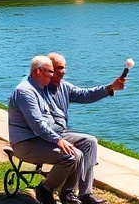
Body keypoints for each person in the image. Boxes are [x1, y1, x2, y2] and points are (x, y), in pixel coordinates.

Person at [45, 53, 127, 204]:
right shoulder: (38, 88)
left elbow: (86, 94)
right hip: (47, 136)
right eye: (57, 69)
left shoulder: (64, 87)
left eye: (63, 68)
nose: (61, 72)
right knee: (79, 149)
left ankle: (85, 194)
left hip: (62, 133)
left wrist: (111, 88)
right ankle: (64, 191)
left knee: (90, 143)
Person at [8, 55, 78, 204]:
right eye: (50, 72)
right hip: (26, 143)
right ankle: (45, 189)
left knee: (77, 152)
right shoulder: (25, 91)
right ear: (38, 71)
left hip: (39, 140)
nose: (54, 76)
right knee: (70, 156)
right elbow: (37, 124)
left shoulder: (39, 89)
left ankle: (67, 194)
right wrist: (58, 140)